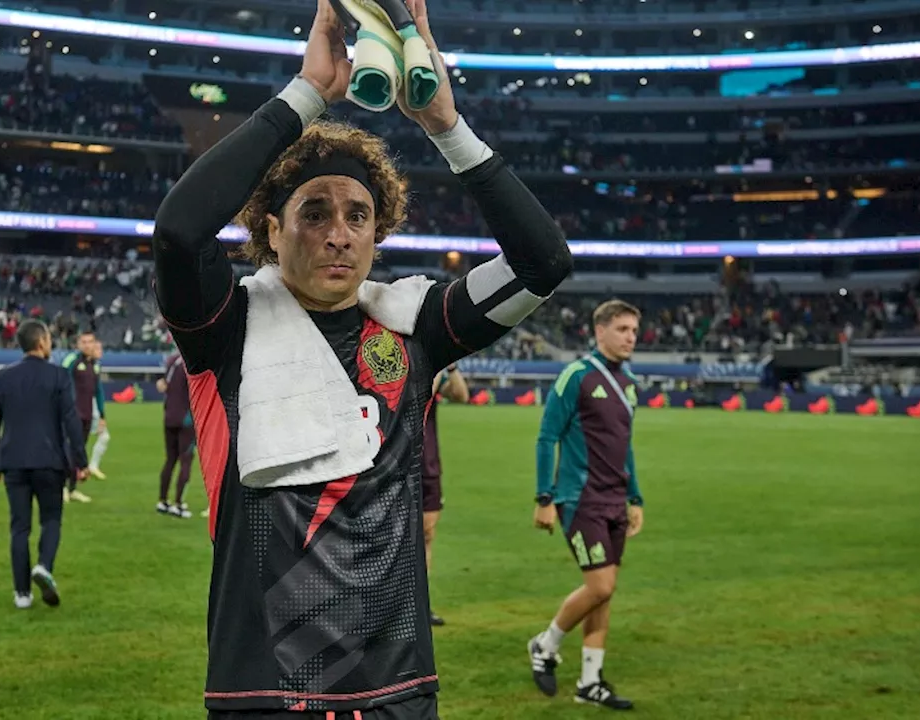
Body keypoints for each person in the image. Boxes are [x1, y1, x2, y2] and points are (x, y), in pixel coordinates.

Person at [150, 0, 571, 715]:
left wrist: (446, 126)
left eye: (358, 215)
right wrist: (308, 92)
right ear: (271, 230)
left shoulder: (417, 325)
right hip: (262, 692)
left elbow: (543, 262)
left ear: (379, 235)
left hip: (398, 693)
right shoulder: (224, 326)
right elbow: (179, 232)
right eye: (314, 212)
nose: (339, 234)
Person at [528, 299, 645, 710]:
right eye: (623, 329)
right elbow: (547, 437)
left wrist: (635, 497)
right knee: (601, 585)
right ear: (600, 331)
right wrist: (544, 497)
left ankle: (590, 681)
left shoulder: (628, 383)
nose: (631, 337)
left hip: (615, 500)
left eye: (634, 330)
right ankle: (545, 645)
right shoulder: (576, 376)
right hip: (580, 499)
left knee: (603, 595)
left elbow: (624, 446)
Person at [0, 319, 88, 610]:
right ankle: (43, 566)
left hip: (13, 462)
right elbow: (71, 421)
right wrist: (80, 461)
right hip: (49, 460)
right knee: (51, 520)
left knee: (19, 527)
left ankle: (22, 594)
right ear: (41, 342)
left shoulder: (3, 377)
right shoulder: (58, 376)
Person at [422, 363, 468, 626]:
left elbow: (461, 395)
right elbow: (421, 392)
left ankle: (421, 605)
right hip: (400, 462)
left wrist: (452, 368)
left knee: (428, 535)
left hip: (429, 464)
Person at [60, 332, 104, 502]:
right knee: (69, 452)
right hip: (72, 415)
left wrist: (101, 415)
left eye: (90, 342)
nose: (87, 345)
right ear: (78, 344)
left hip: (87, 415)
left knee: (79, 453)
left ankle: (72, 489)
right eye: (83, 342)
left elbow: (98, 391)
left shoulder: (95, 365)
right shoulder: (72, 361)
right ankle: (62, 487)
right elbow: (61, 380)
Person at [156, 349, 197, 518]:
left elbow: (163, 385)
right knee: (186, 460)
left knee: (170, 459)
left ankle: (163, 500)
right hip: (186, 419)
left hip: (169, 416)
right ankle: (179, 504)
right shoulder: (191, 361)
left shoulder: (172, 360)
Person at [86, 339, 112, 480]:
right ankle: (89, 467)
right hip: (88, 407)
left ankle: (90, 467)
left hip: (92, 406)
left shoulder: (95, 366)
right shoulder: (87, 366)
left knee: (103, 436)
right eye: (98, 349)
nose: (101, 352)